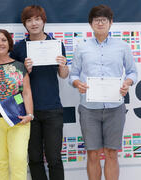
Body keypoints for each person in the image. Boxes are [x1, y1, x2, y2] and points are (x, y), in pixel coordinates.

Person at [69, 4, 137, 180]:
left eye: (104, 20)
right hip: (89, 108)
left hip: (115, 108)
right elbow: (73, 75)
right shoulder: (82, 47)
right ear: (91, 23)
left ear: (110, 23)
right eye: (96, 20)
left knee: (111, 153)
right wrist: (77, 83)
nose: (100, 23)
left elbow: (132, 72)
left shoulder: (122, 46)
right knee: (92, 154)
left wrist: (128, 82)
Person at [10, 5, 68, 180]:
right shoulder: (19, 48)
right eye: (29, 20)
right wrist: (25, 70)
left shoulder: (56, 44)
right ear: (24, 24)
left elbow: (63, 75)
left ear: (43, 21)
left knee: (54, 158)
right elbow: (14, 83)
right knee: (34, 159)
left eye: (37, 19)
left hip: (53, 110)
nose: (33, 23)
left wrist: (63, 65)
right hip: (28, 111)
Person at [0, 29, 33, 180]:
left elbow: (26, 92)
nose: (0, 43)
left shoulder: (20, 66)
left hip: (19, 119)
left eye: (4, 40)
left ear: (9, 43)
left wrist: (30, 114)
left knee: (18, 160)